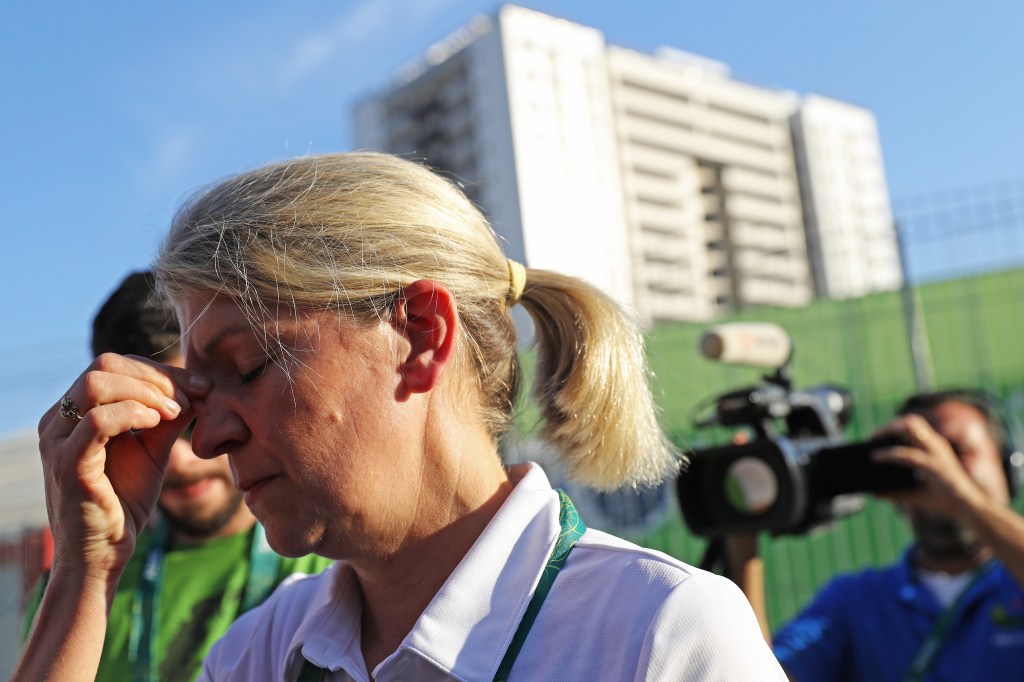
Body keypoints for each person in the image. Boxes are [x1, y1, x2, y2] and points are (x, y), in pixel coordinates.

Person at [14, 152, 784, 681]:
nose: (208, 437)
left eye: (247, 367)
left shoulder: (656, 630)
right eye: (200, 395)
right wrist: (89, 569)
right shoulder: (263, 651)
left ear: (420, 336)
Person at [21, 271, 332, 682]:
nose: (182, 460)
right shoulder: (74, 587)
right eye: (143, 429)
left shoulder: (328, 560)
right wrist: (84, 566)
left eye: (193, 418)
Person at [728, 389, 1024, 681]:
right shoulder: (857, 603)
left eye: (958, 451)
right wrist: (743, 557)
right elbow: (762, 676)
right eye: (917, 456)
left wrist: (963, 498)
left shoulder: (1012, 582)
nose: (936, 470)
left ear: (1007, 470)